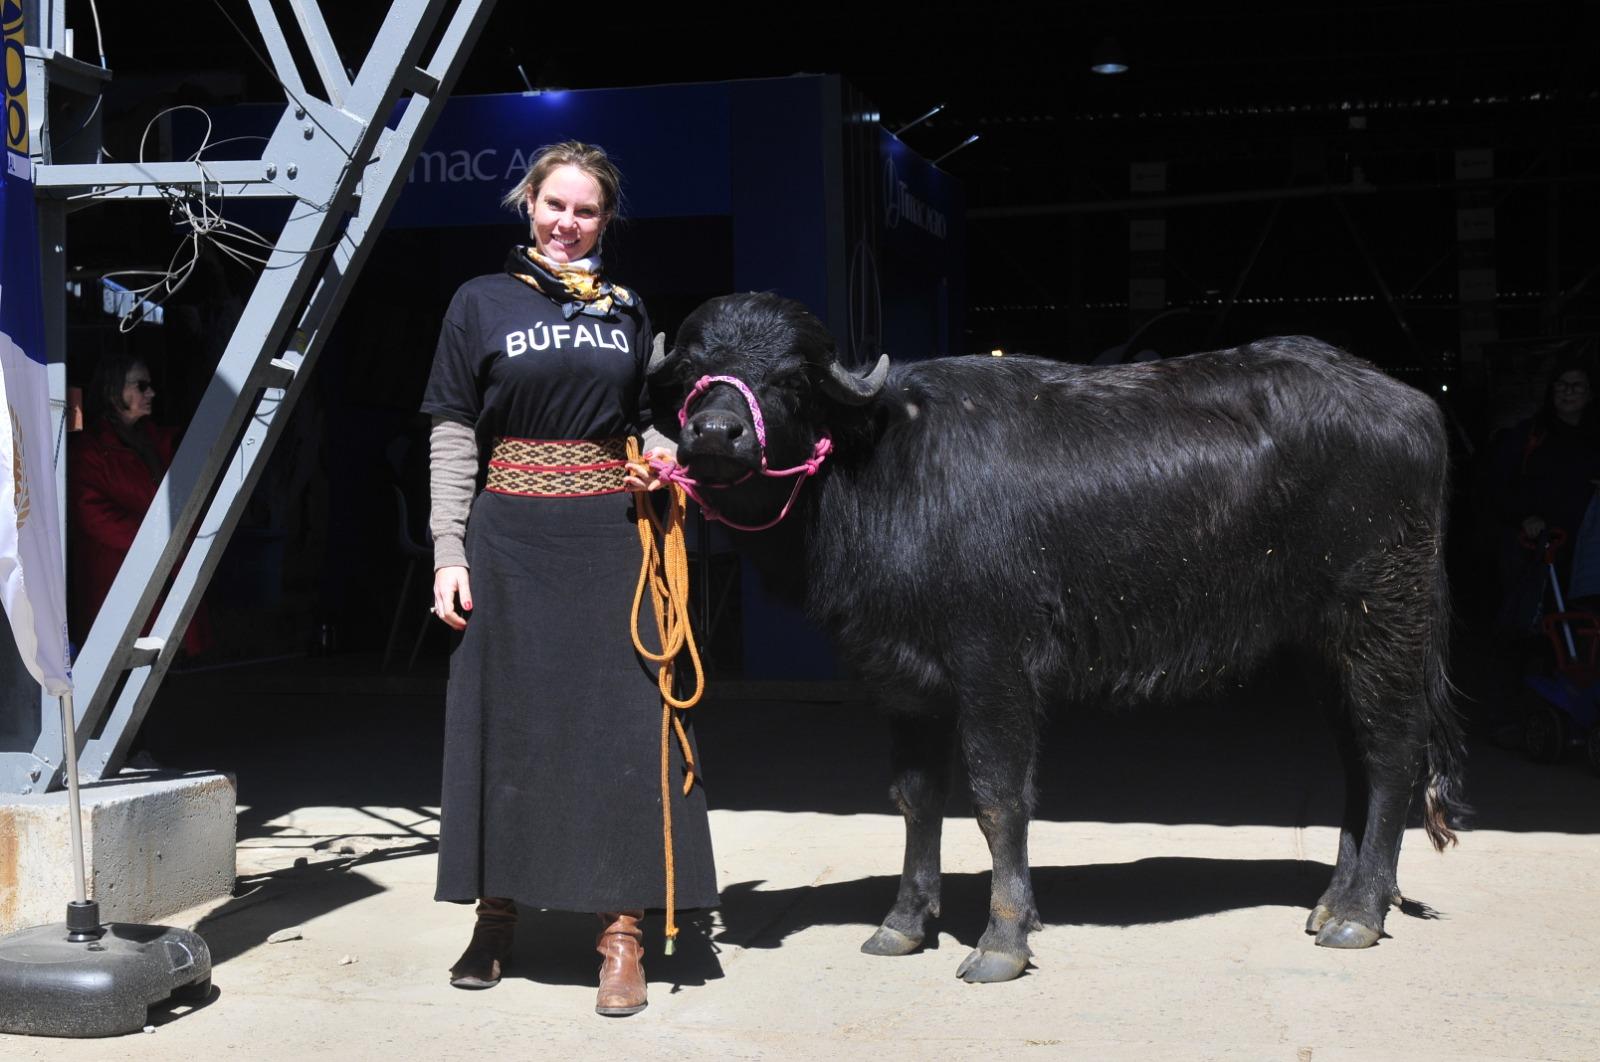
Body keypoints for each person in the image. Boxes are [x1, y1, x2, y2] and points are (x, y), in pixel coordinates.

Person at [422, 141, 718, 1017]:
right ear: (527, 205)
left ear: (606, 221)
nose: (567, 223)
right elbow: (451, 427)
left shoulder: (627, 310)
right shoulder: (478, 303)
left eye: (586, 211)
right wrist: (448, 548)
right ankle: (496, 913)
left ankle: (621, 931)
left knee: (618, 728)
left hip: (607, 540)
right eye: (555, 205)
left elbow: (638, 422)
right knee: (506, 726)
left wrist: (665, 462)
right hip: (508, 537)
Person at [68, 353, 207, 656]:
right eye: (141, 385)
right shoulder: (89, 450)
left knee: (160, 663)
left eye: (150, 385)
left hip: (161, 576)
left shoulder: (156, 441)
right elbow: (91, 514)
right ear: (112, 390)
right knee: (123, 663)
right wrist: (158, 542)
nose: (151, 392)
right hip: (117, 582)